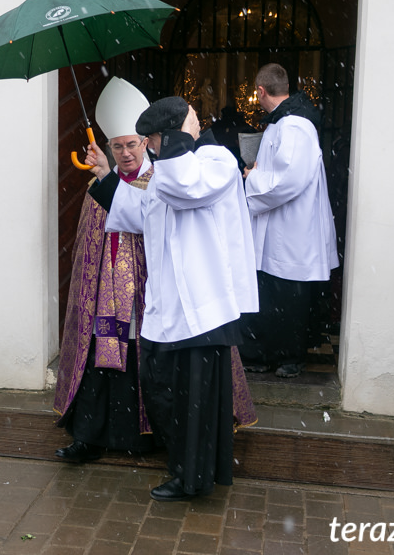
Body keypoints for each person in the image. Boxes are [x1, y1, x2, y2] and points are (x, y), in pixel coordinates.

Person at [84, 96, 258, 501]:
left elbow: (186, 189)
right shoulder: (167, 171)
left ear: (168, 137)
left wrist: (180, 138)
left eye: (151, 139)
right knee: (163, 388)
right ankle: (186, 469)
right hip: (169, 308)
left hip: (203, 308)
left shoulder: (214, 160)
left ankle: (192, 478)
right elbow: (138, 211)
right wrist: (106, 175)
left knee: (194, 401)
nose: (146, 148)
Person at [53, 77, 155, 461]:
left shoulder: (160, 181)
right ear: (109, 147)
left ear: (145, 143)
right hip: (105, 296)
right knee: (100, 362)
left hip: (144, 297)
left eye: (131, 144)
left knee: (140, 363)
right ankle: (88, 439)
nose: (125, 152)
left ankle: (141, 437)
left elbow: (147, 226)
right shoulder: (101, 186)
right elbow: (90, 244)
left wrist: (107, 179)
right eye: (117, 146)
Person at [240, 63, 339, 378]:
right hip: (280, 228)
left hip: (291, 232)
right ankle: (264, 356)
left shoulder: (294, 126)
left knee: (286, 297)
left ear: (260, 91)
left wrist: (252, 179)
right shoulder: (282, 123)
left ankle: (288, 359)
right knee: (270, 294)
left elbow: (289, 179)